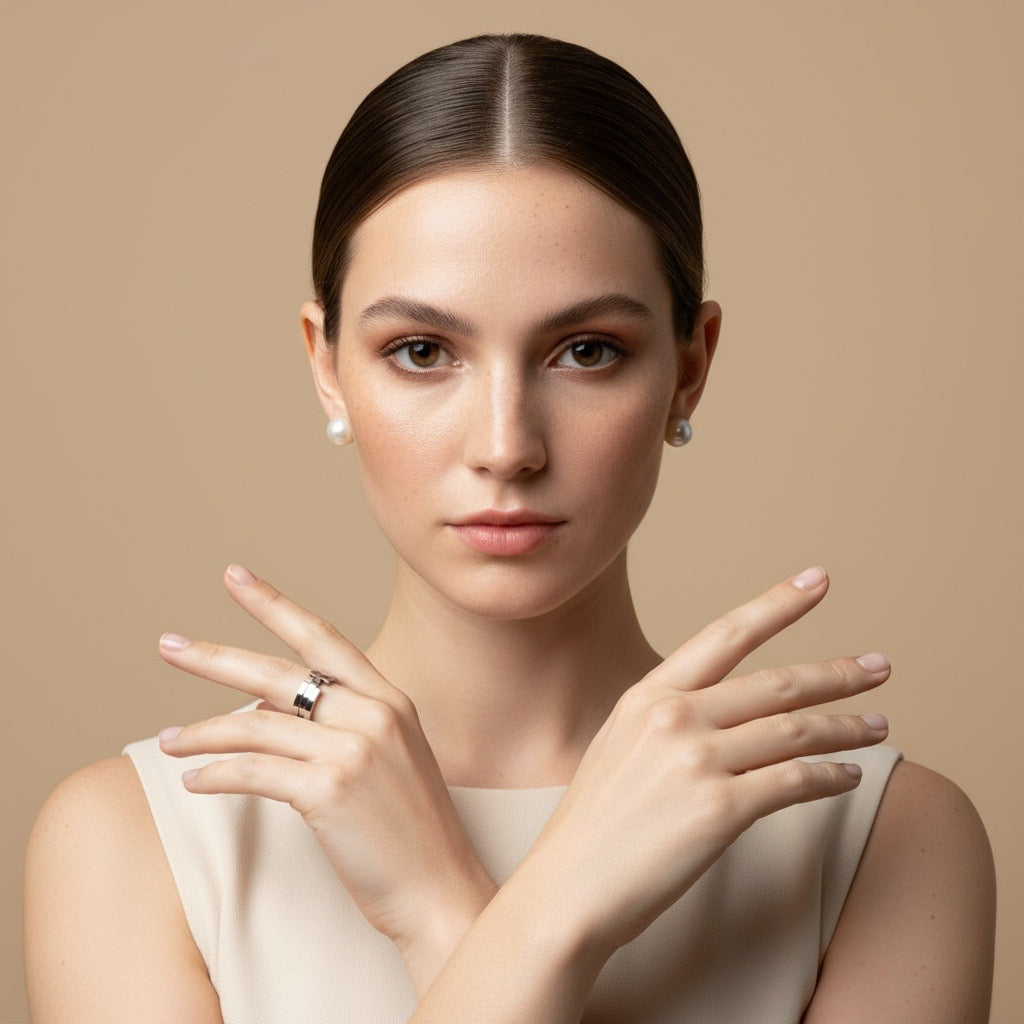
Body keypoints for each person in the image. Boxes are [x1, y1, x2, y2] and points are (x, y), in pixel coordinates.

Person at [24, 33, 995, 1023]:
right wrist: (519, 918)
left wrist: (461, 918)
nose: (506, 446)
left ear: (688, 366)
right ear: (327, 366)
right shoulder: (134, 836)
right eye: (420, 350)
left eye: (585, 350)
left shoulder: (883, 839)